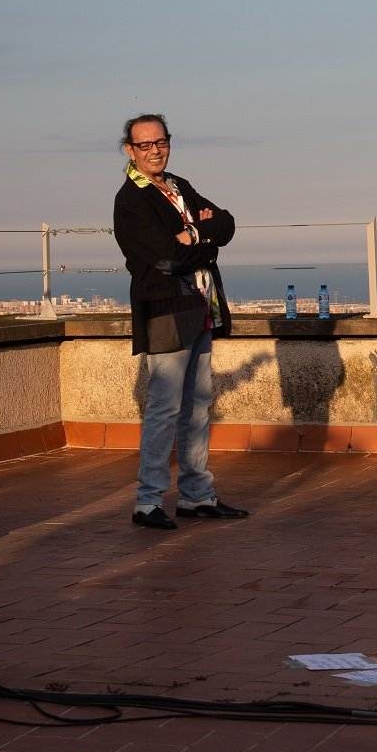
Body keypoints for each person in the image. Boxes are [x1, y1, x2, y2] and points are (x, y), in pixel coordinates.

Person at [113, 114, 249, 529]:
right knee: (165, 406)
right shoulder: (131, 200)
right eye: (144, 145)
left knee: (199, 405)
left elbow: (225, 223)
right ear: (129, 150)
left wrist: (196, 236)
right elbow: (165, 258)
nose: (155, 150)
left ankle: (196, 495)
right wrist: (199, 238)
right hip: (166, 309)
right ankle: (148, 501)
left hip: (199, 306)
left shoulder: (178, 186)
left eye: (161, 141)